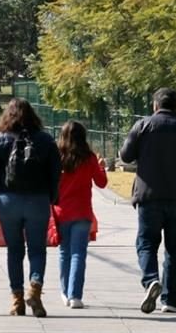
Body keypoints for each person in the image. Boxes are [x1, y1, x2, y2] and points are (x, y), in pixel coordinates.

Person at [119, 88, 176, 315]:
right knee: (175, 250)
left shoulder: (143, 125)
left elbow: (125, 155)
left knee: (147, 243)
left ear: (155, 105)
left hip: (149, 197)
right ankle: (169, 300)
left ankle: (151, 280)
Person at [0, 98, 61, 318]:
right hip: (38, 200)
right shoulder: (46, 140)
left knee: (14, 250)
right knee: (37, 249)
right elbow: (56, 173)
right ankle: (35, 288)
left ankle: (17, 301)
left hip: (8, 200)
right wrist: (51, 197)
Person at [54, 120, 108, 309]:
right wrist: (101, 166)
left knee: (64, 252)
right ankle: (75, 295)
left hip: (61, 211)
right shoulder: (89, 157)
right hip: (83, 211)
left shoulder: (57, 157)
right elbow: (101, 183)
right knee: (79, 254)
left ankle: (64, 291)